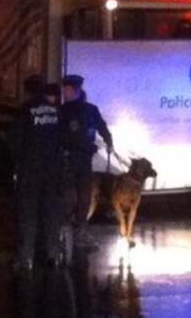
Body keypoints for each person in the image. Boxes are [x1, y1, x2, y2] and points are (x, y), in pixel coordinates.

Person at [15, 76, 64, 270]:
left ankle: (27, 257)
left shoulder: (25, 110)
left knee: (29, 213)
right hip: (52, 169)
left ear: (27, 91)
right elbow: (63, 138)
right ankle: (53, 253)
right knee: (51, 211)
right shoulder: (55, 111)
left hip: (31, 170)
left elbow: (16, 140)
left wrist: (19, 163)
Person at [61, 74, 113, 250]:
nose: (65, 93)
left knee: (85, 198)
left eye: (67, 90)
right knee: (69, 198)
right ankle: (62, 233)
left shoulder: (90, 110)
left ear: (76, 91)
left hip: (84, 160)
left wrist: (109, 141)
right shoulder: (62, 111)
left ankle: (80, 234)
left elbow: (102, 126)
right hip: (67, 160)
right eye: (64, 90)